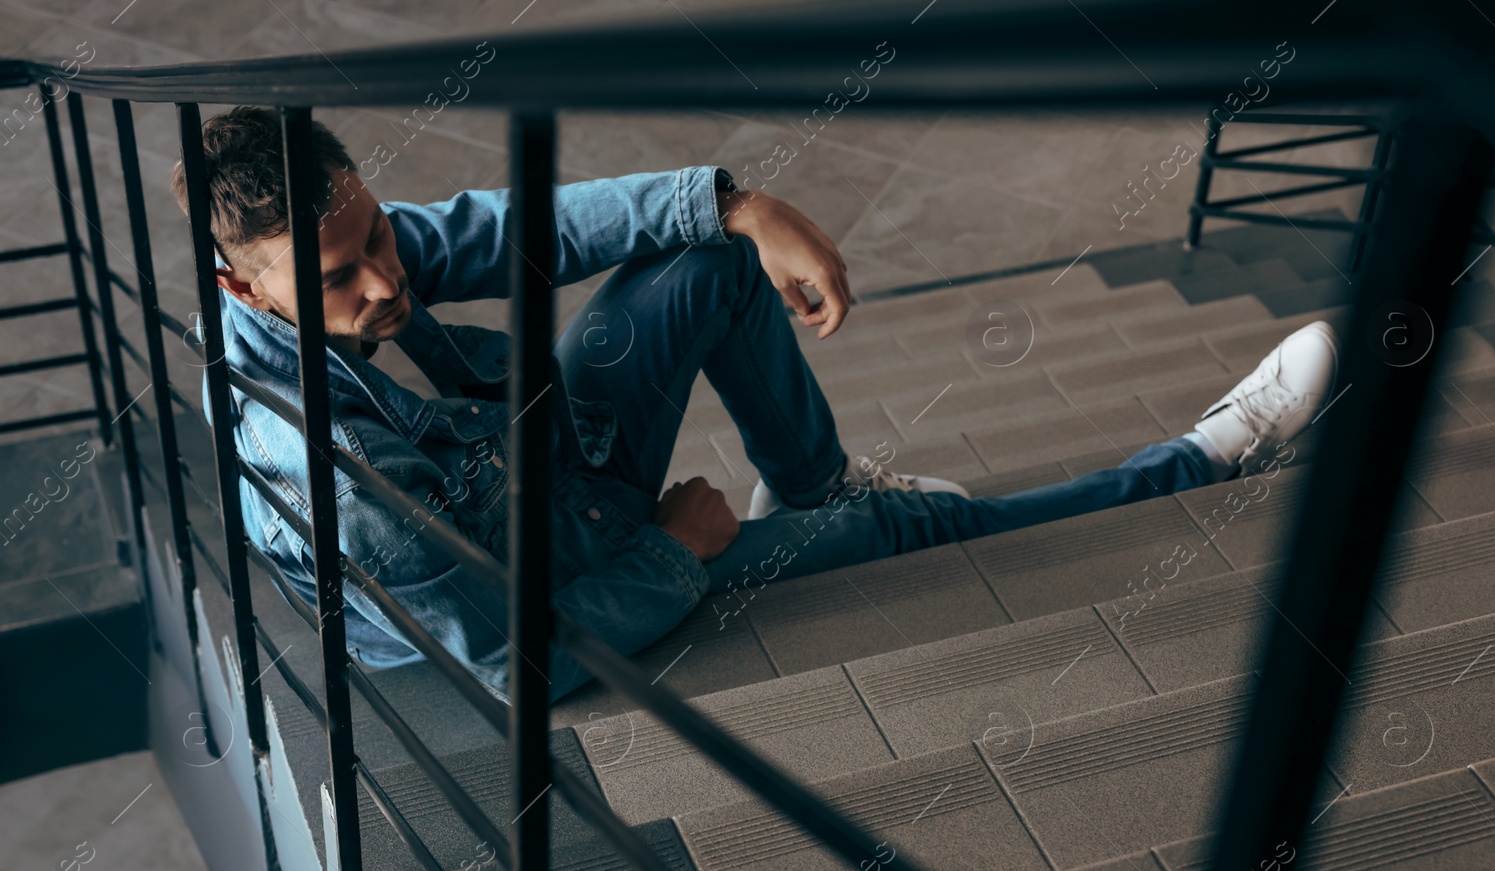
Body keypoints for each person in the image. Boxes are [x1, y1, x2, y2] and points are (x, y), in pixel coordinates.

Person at [173, 106, 1337, 705]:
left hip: (547, 468)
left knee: (707, 267)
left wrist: (738, 204)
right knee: (894, 534)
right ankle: (1200, 456)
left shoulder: (340, 256)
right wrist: (678, 552)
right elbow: (518, 665)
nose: (385, 278)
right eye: (340, 274)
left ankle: (814, 485)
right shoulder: (327, 479)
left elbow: (517, 222)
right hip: (545, 585)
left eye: (376, 232)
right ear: (240, 282)